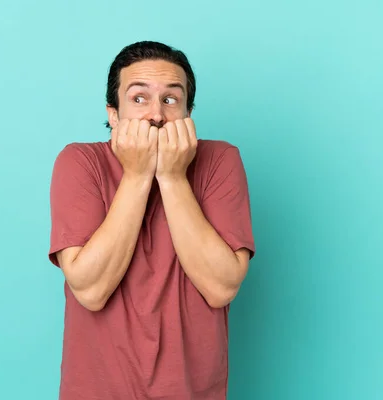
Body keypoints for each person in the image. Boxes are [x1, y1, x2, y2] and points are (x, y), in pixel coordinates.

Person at [48, 41, 255, 399]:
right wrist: (138, 175)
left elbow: (221, 287)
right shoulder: (79, 162)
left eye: (171, 100)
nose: (156, 114)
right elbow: (91, 290)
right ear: (114, 114)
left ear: (188, 112)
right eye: (139, 99)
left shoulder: (221, 160)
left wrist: (172, 177)